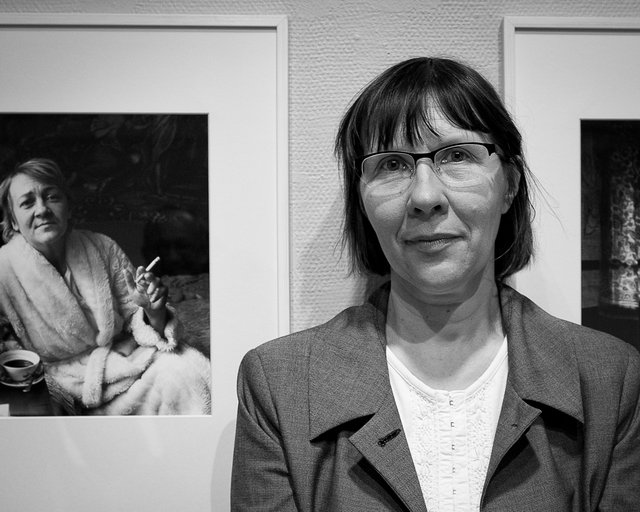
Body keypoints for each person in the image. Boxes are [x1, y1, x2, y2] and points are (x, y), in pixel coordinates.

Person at [231, 57, 640, 510]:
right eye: (391, 164)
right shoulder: (278, 385)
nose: (425, 197)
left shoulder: (610, 379)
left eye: (458, 156)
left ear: (509, 185)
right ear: (361, 200)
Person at [0, 158, 211, 415]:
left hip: (121, 369)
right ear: (13, 221)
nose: (42, 209)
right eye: (27, 203)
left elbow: (136, 317)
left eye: (52, 197)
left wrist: (152, 311)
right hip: (55, 387)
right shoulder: (3, 271)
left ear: (68, 206)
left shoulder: (102, 247)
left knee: (187, 368)